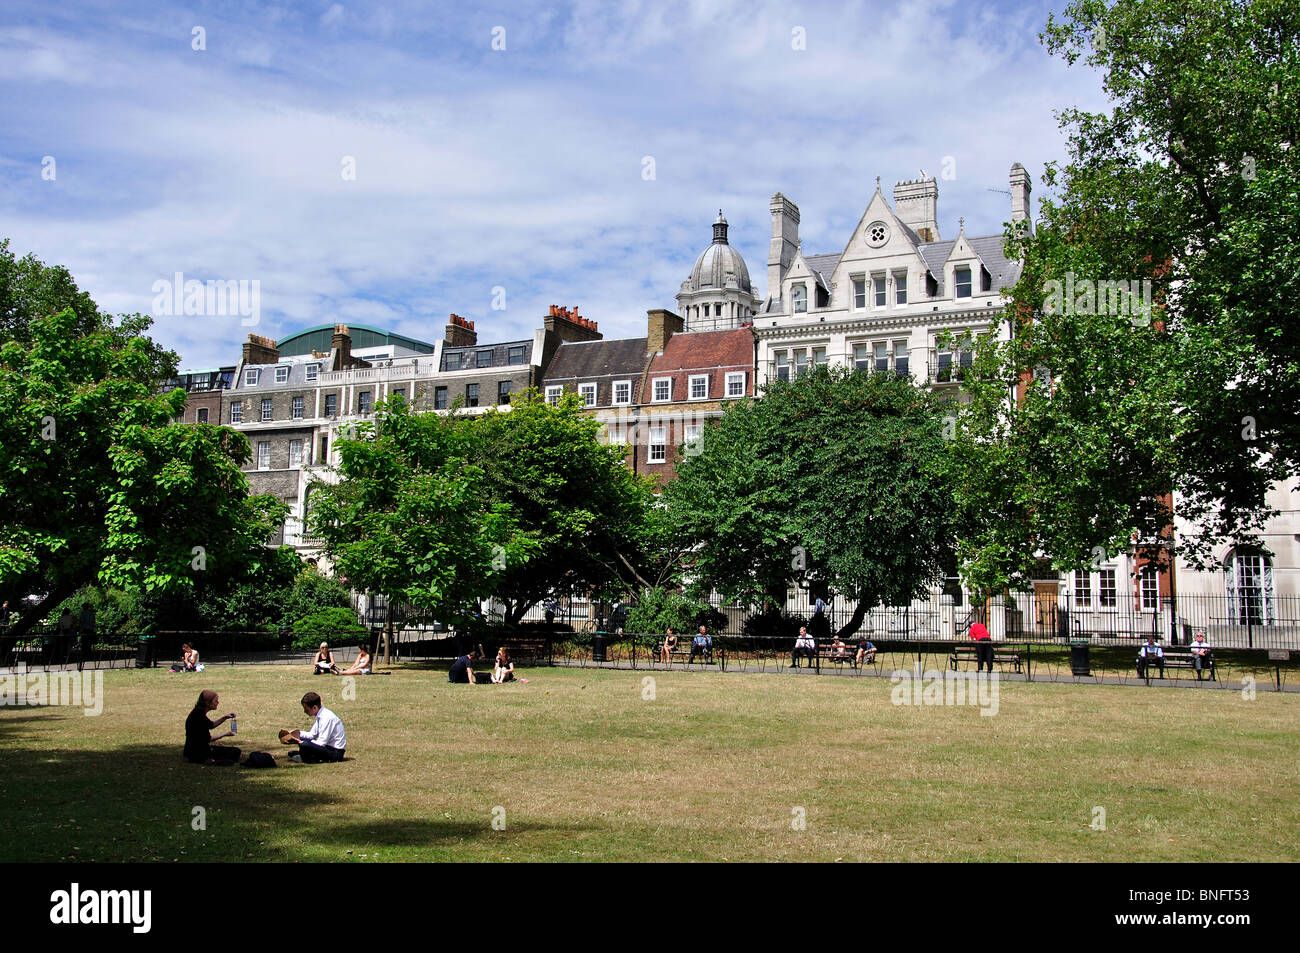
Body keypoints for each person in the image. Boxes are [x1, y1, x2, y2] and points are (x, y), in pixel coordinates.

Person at [281, 691, 346, 763]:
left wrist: (299, 742)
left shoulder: (327, 718)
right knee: (304, 742)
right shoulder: (320, 716)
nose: (305, 711)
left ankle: (307, 758)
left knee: (304, 744)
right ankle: (306, 756)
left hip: (335, 753)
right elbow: (312, 735)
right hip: (328, 747)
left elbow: (321, 742)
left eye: (306, 708)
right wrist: (298, 734)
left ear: (314, 707)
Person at [184, 689, 240, 765]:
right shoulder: (199, 717)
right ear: (207, 703)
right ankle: (210, 760)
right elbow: (209, 739)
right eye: (215, 701)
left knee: (233, 753)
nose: (218, 702)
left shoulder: (198, 712)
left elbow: (211, 725)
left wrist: (225, 717)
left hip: (191, 750)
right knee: (235, 752)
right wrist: (225, 734)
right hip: (198, 752)